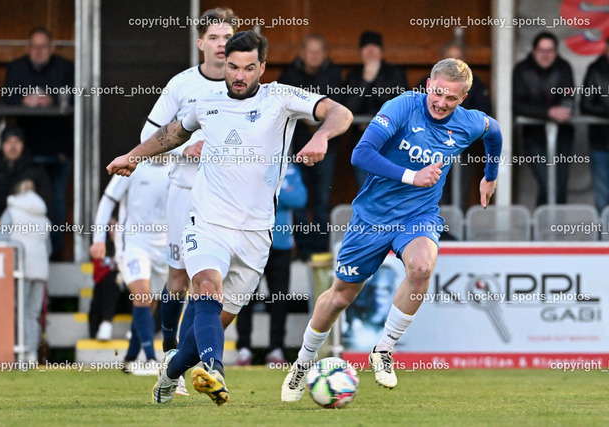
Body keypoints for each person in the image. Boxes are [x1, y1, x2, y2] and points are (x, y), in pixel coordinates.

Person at [107, 30, 352, 405]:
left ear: (262, 68)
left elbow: (340, 112)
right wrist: (133, 157)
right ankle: (216, 372)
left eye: (249, 68)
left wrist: (322, 137)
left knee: (208, 330)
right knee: (206, 286)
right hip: (208, 222)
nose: (239, 75)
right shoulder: (206, 103)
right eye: (233, 67)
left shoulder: (281, 98)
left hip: (256, 233)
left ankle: (171, 373)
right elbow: (172, 134)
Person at [280, 58, 501, 402]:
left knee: (422, 268)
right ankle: (303, 362)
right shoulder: (402, 107)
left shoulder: (469, 122)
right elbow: (360, 154)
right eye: (438, 93)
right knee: (340, 297)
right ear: (428, 85)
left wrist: (490, 175)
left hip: (418, 215)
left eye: (451, 98)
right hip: (372, 217)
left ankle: (383, 349)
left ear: (464, 98)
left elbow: (494, 131)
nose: (442, 103)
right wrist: (413, 176)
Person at [138, 7, 238, 394]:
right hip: (184, 192)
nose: (221, 44)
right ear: (200, 43)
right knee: (179, 280)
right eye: (213, 37)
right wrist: (185, 149)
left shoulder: (243, 85)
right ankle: (169, 351)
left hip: (225, 198)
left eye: (227, 37)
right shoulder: (181, 85)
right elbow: (148, 136)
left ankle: (186, 362)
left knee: (207, 283)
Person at [90, 158, 170, 374]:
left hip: (163, 245)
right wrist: (98, 239)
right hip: (133, 243)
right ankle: (151, 359)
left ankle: (130, 357)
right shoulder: (132, 164)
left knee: (150, 303)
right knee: (142, 295)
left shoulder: (177, 167)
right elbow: (108, 200)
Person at [2, 27, 74, 257]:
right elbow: (5, 97)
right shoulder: (16, 67)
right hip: (26, 151)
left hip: (58, 149)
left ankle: (55, 253)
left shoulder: (66, 68)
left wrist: (52, 100)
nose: (38, 51)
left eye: (43, 46)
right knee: (21, 199)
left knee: (56, 201)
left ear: (51, 48)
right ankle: (22, 252)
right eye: (34, 46)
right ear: (27, 48)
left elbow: (78, 98)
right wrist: (24, 100)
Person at [278, 35, 343, 260]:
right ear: (302, 53)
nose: (314, 56)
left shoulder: (334, 74)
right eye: (310, 51)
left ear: (325, 53)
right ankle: (304, 252)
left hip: (327, 148)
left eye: (318, 51)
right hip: (297, 147)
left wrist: (318, 117)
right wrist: (302, 114)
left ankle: (321, 252)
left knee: (322, 200)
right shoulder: (289, 75)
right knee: (299, 200)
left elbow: (341, 106)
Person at [235, 163, 307, 366]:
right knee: (245, 297)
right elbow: (245, 198)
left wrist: (267, 190)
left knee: (279, 299)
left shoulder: (290, 168)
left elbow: (300, 199)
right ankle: (244, 348)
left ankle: (276, 349)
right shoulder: (252, 165)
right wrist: (280, 190)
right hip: (252, 243)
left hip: (281, 244)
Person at [416, 41, 492, 211]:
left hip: (462, 152)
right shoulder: (427, 83)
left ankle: (455, 228)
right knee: (430, 197)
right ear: (440, 61)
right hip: (428, 153)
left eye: (458, 60)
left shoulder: (475, 85)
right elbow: (416, 112)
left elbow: (482, 116)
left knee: (459, 196)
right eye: (449, 59)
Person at [513, 32, 574, 206]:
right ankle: (543, 223)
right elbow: (517, 104)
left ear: (556, 52)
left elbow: (569, 97)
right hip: (534, 135)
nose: (546, 55)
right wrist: (548, 112)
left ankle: (554, 223)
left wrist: (565, 110)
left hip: (562, 134)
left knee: (559, 187)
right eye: (541, 50)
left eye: (550, 51)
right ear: (534, 51)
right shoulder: (522, 69)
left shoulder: (564, 67)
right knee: (547, 185)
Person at [0, 179, 51, 363]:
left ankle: (21, 351)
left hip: (20, 270)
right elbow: (49, 248)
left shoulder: (11, 211)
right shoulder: (44, 217)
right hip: (41, 271)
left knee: (20, 311)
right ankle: (32, 353)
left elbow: (0, 241)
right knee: (33, 314)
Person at [345, 31, 408, 188]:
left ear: (381, 50)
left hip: (391, 142)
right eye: (366, 47)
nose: (371, 51)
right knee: (367, 189)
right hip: (363, 142)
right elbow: (348, 109)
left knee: (390, 189)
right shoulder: (353, 75)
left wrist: (375, 121)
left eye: (375, 46)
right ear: (360, 52)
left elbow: (403, 106)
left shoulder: (395, 73)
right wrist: (366, 80)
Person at [0, 125, 52, 240]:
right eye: (8, 142)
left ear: (23, 145)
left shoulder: (37, 175)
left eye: (17, 142)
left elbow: (47, 209)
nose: (13, 147)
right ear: (2, 146)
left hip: (27, 231)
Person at [581, 37, 609, 214]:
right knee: (603, 193)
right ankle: (605, 229)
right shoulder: (595, 69)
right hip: (602, 142)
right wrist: (607, 111)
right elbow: (585, 104)